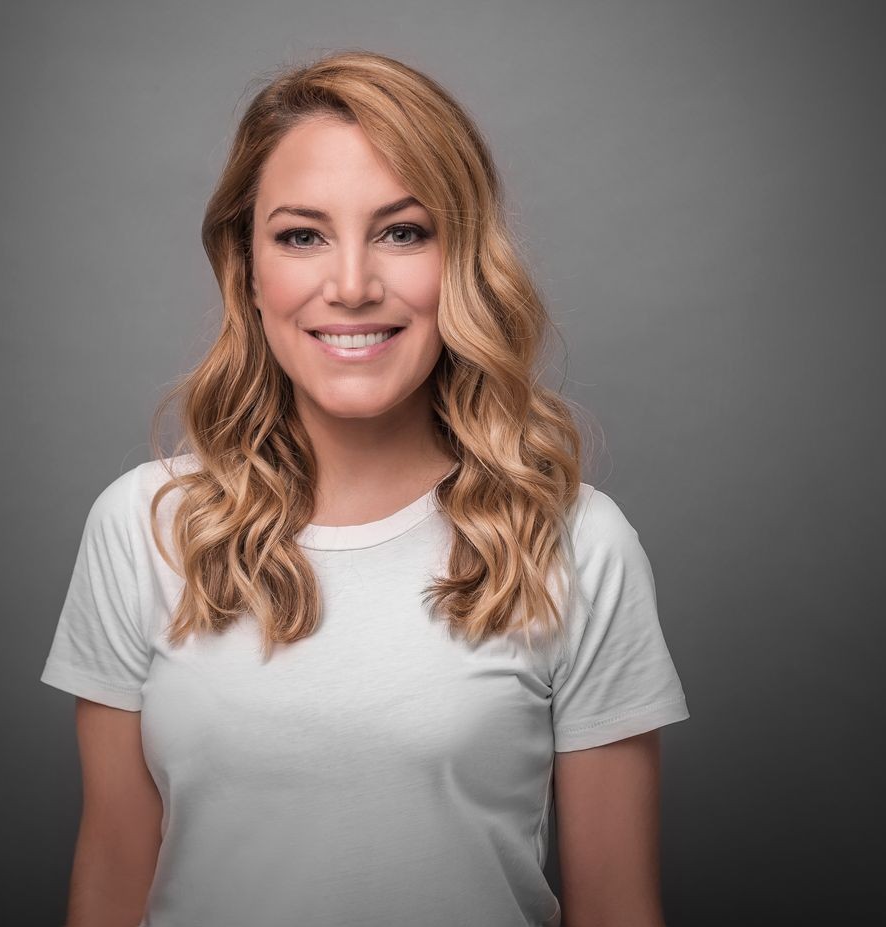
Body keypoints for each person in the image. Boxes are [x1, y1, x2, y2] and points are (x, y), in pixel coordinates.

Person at [40, 49, 690, 927]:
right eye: (302, 235)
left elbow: (618, 909)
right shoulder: (143, 526)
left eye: (402, 231)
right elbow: (113, 876)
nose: (351, 286)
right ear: (249, 269)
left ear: (461, 258)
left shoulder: (577, 542)